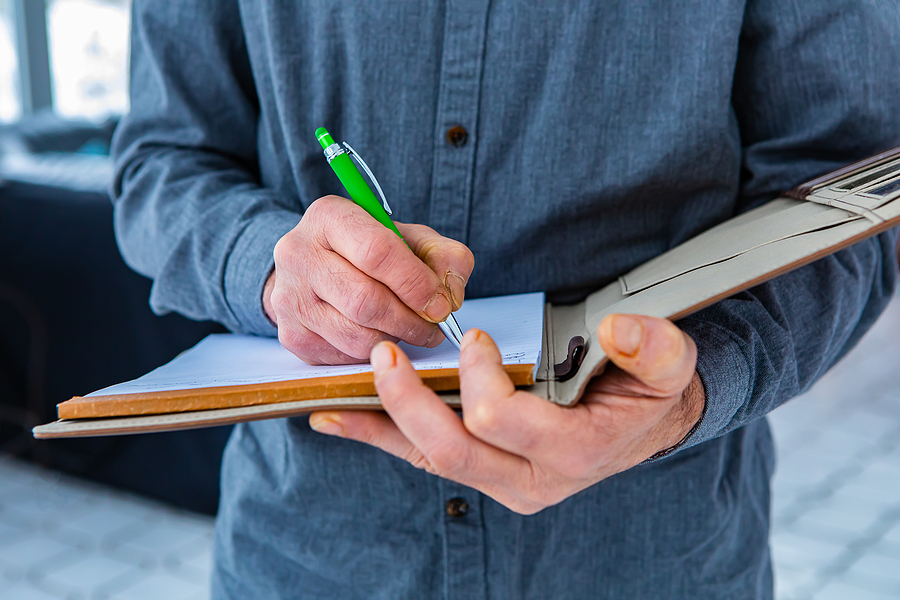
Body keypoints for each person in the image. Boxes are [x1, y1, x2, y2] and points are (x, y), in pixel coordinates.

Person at [111, 2, 900, 598]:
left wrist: (690, 390)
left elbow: (857, 187)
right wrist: (271, 267)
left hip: (657, 558)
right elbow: (161, 165)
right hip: (306, 559)